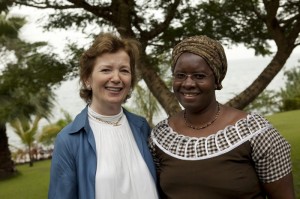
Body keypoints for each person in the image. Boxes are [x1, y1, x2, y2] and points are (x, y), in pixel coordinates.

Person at [149, 35, 295, 199]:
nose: (188, 83)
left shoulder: (255, 132)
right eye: (180, 75)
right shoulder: (161, 136)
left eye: (199, 76)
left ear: (217, 80)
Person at [48, 33, 159, 199]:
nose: (116, 78)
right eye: (106, 70)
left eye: (124, 70)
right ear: (87, 79)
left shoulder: (142, 127)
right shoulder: (69, 140)